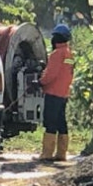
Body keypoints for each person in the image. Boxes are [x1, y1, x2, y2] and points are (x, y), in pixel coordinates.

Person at [36, 24, 75, 162]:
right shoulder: (69, 53)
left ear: (57, 38)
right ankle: (61, 153)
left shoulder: (56, 54)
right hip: (64, 93)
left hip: (53, 92)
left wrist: (40, 82)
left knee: (50, 122)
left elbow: (51, 74)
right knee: (61, 122)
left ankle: (47, 153)